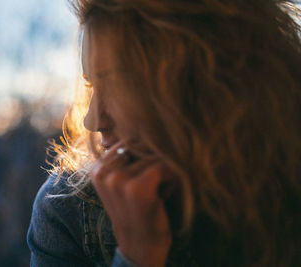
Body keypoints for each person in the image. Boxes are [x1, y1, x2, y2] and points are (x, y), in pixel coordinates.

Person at [27, 0, 301, 266]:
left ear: (211, 84)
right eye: (92, 86)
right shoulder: (68, 210)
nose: (93, 120)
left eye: (119, 84)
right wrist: (137, 255)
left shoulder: (286, 187)